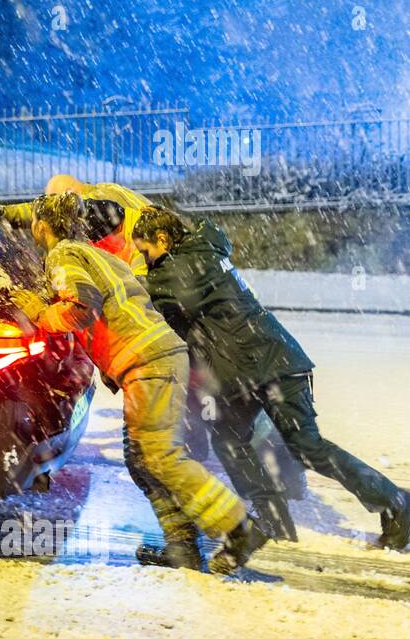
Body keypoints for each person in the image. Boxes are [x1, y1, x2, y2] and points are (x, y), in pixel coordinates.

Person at [9, 193, 269, 572]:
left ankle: (238, 526)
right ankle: (182, 547)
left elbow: (82, 307)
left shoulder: (63, 256)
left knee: (161, 456)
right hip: (154, 357)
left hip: (148, 362)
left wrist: (38, 311)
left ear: (40, 227)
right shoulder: (96, 253)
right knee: (142, 459)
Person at [132, 206, 410, 550]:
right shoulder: (202, 250)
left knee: (306, 447)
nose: (147, 260)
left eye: (146, 251)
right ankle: (273, 517)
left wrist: (129, 280)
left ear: (162, 239)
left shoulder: (183, 268)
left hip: (271, 365)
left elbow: (157, 293)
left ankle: (396, 501)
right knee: (230, 438)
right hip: (254, 367)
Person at [2, 173, 153, 274]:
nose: (56, 211)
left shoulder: (96, 211)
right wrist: (1, 212)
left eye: (57, 201)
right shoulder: (101, 197)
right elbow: (42, 211)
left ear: (68, 193)